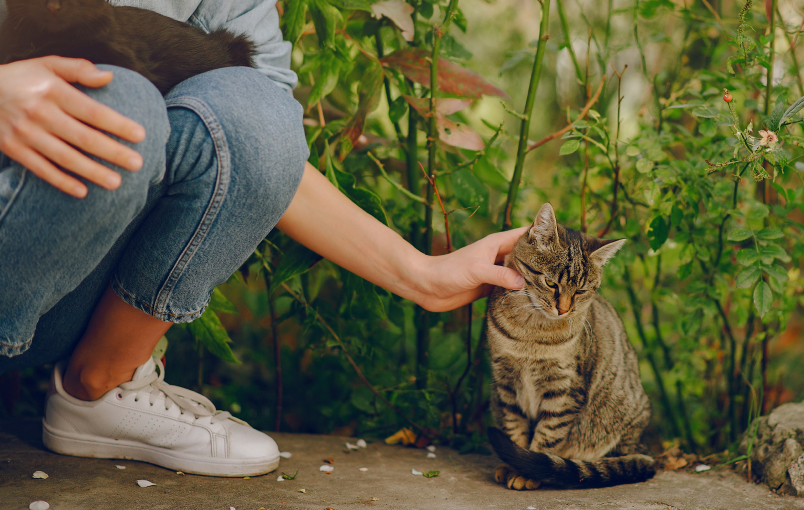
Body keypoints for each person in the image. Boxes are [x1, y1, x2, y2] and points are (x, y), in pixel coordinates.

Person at [0, 1, 526, 477]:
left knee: (249, 109)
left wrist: (423, 276)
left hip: (62, 290)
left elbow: (261, 146)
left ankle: (100, 387)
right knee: (118, 100)